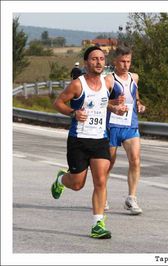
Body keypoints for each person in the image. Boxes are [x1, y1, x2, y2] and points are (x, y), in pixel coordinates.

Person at [51, 46, 125, 239]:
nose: (99, 62)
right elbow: (58, 102)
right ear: (86, 63)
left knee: (100, 180)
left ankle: (97, 224)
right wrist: (73, 113)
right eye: (94, 59)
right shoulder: (78, 84)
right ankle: (61, 179)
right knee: (77, 184)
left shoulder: (107, 83)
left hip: (100, 139)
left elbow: (103, 103)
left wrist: (115, 108)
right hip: (79, 140)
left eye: (101, 59)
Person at [105, 46, 146, 215]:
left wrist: (140, 104)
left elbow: (135, 97)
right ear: (115, 61)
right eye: (122, 61)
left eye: (128, 61)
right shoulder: (109, 79)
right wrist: (114, 102)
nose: (126, 65)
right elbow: (102, 102)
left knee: (135, 160)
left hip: (130, 124)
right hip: (112, 125)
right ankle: (102, 194)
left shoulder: (134, 77)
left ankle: (131, 198)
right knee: (109, 162)